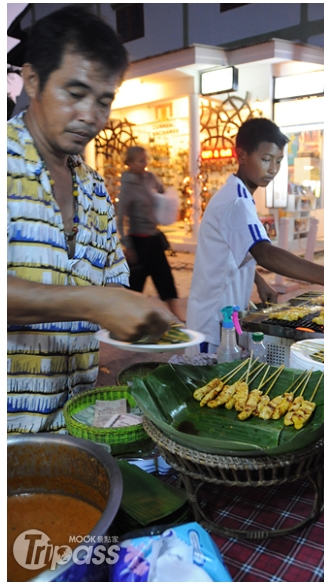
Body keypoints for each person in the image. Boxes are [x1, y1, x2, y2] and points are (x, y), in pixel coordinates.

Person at [7, 6, 174, 434]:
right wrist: (92, 302)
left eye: (104, 101)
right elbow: (97, 299)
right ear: (31, 80)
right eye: (74, 93)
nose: (91, 117)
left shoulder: (95, 188)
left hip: (74, 424)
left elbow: (113, 283)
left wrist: (138, 313)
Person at [186, 117, 324, 353]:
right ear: (241, 156)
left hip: (224, 319)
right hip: (210, 326)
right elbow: (263, 253)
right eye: (265, 159)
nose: (272, 168)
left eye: (278, 161)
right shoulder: (236, 202)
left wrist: (259, 281)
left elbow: (236, 250)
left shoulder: (238, 194)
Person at [117, 146, 184, 321]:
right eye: (140, 161)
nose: (145, 164)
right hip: (138, 241)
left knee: (165, 277)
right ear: (130, 163)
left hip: (153, 237)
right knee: (135, 284)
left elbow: (163, 193)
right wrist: (127, 246)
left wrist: (167, 203)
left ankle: (176, 312)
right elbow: (120, 219)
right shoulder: (126, 186)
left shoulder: (150, 178)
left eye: (145, 159)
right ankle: (127, 318)